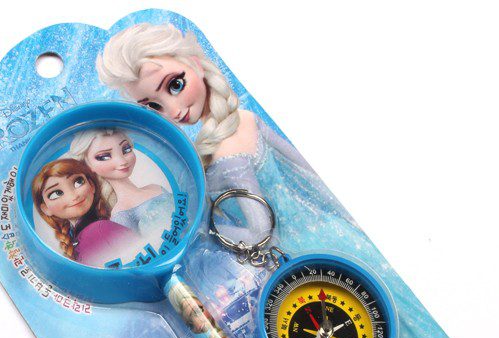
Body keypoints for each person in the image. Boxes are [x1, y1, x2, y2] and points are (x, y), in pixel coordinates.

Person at [97, 23, 349, 251]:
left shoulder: (225, 153)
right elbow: (309, 173)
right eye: (154, 106)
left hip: (298, 253)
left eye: (175, 85)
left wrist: (201, 233)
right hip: (329, 232)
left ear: (196, 64)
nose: (174, 111)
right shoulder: (246, 118)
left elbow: (262, 234)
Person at [68, 128, 174, 244]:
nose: (122, 161)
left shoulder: (155, 187)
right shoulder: (122, 214)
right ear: (87, 166)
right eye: (104, 157)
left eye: (126, 149)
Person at [31, 158, 141, 266]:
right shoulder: (79, 236)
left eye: (78, 182)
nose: (73, 196)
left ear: (92, 186)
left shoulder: (100, 230)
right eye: (57, 193)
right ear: (45, 209)